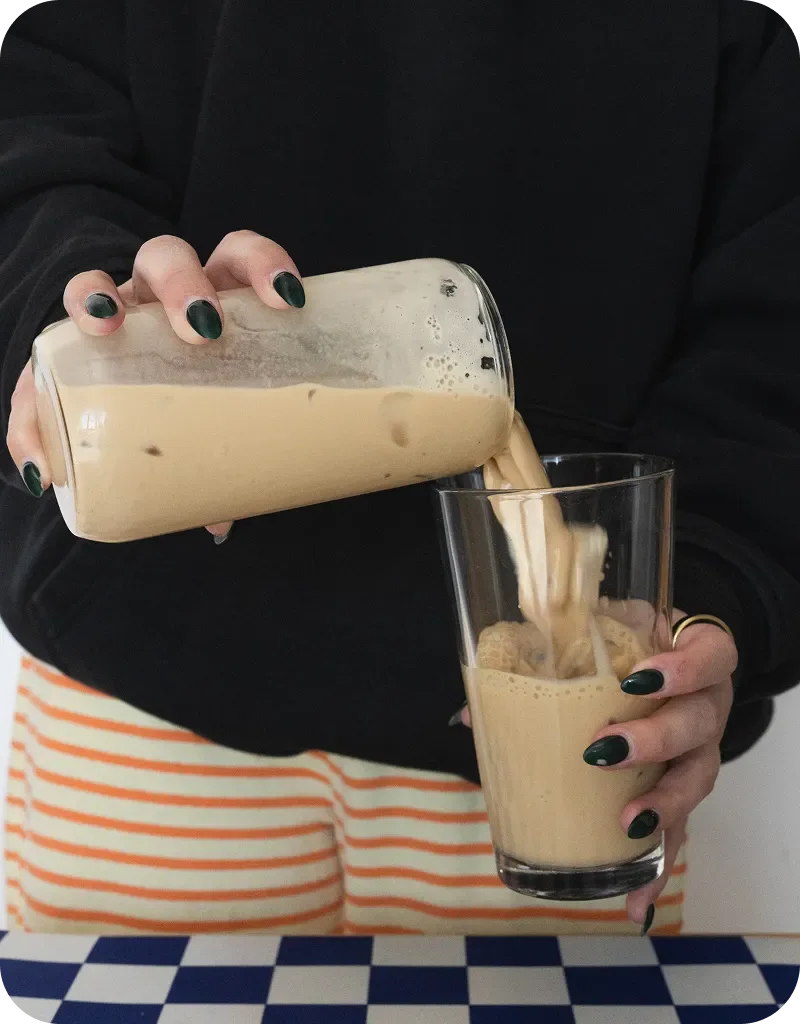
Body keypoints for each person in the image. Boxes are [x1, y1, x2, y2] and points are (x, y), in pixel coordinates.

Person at [0, 0, 798, 937]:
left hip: (577, 742)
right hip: (149, 697)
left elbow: (777, 309)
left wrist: (704, 590)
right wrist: (93, 300)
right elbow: (32, 102)